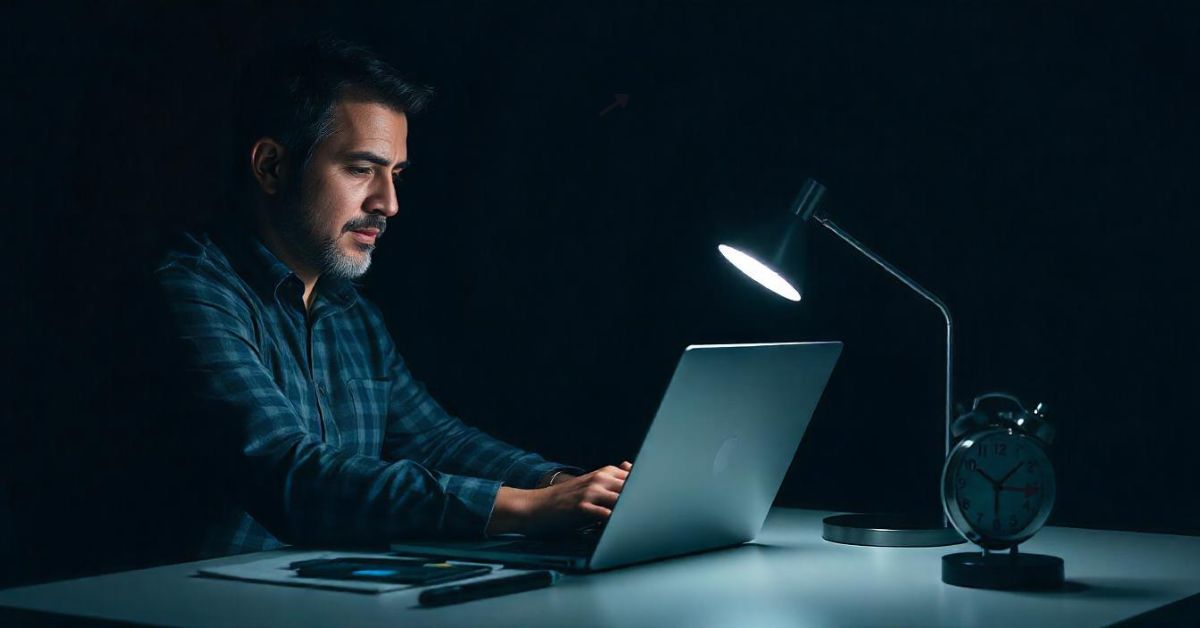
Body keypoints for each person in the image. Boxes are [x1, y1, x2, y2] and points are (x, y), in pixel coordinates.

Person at [154, 36, 630, 557]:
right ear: (271, 166)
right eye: (361, 169)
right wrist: (526, 508)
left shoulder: (351, 314)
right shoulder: (191, 286)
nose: (389, 203)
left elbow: (434, 440)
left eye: (396, 174)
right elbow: (287, 473)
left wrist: (566, 487)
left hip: (308, 600)